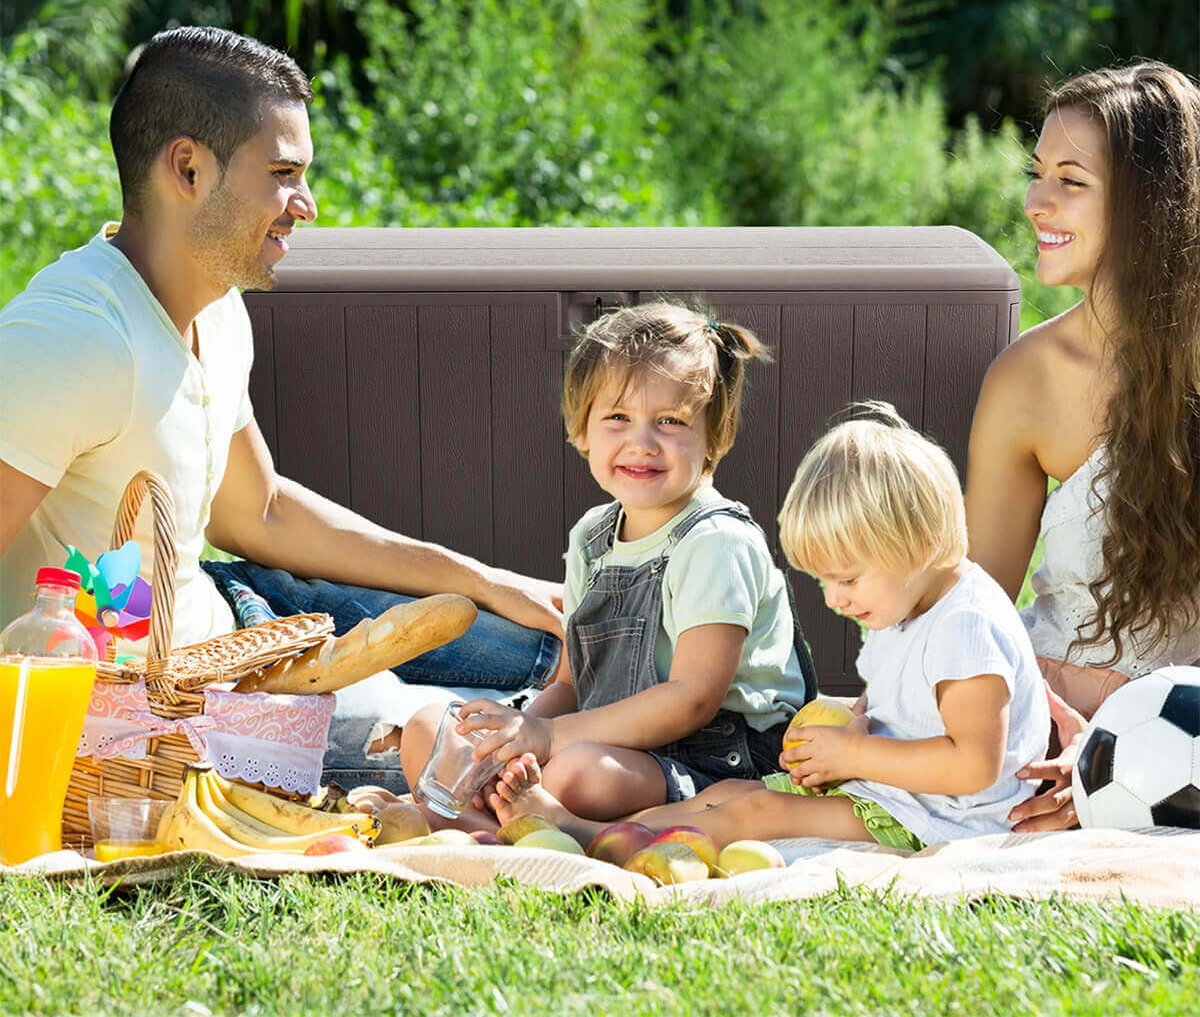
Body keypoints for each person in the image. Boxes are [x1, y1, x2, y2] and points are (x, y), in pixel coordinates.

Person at [0, 26, 565, 731]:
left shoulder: (217, 305)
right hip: (171, 714)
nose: (307, 203)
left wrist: (484, 579)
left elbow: (258, 512)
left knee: (555, 644)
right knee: (482, 739)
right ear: (187, 169)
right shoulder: (72, 338)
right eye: (282, 174)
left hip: (242, 616)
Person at [486, 406, 1051, 852]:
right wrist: (852, 728)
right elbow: (907, 703)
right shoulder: (909, 601)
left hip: (945, 819)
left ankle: (585, 838)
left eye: (847, 578)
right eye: (826, 581)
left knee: (758, 812)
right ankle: (587, 827)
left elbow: (972, 764)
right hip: (899, 791)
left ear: (917, 543)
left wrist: (854, 758)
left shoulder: (966, 626)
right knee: (730, 794)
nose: (834, 599)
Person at [399, 301, 818, 825]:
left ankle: (493, 822)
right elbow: (575, 687)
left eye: (670, 421)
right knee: (431, 727)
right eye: (617, 418)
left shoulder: (716, 542)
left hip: (716, 760)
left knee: (578, 774)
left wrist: (550, 739)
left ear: (717, 435)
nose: (641, 443)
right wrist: (513, 733)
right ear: (582, 432)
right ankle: (507, 816)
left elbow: (693, 699)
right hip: (601, 739)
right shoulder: (594, 538)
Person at [965, 61, 1200, 830]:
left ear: (1149, 203)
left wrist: (1128, 753)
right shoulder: (1026, 378)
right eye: (1037, 175)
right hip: (1041, 714)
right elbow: (975, 610)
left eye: (1070, 180)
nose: (1036, 202)